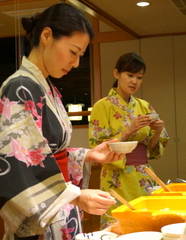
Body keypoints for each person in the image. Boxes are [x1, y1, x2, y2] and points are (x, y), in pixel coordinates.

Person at [0, 3, 124, 240]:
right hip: (46, 212)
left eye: (80, 55)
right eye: (73, 52)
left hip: (60, 203)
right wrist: (76, 197)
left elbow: (45, 152)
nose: (76, 63)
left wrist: (87, 155)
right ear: (47, 36)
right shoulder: (20, 87)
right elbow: (17, 163)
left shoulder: (47, 88)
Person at [88, 52, 169, 228]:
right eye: (130, 75)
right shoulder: (102, 106)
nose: (134, 81)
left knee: (147, 225)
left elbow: (152, 150)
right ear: (117, 74)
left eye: (139, 77)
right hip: (116, 176)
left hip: (143, 175)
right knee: (118, 226)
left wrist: (157, 132)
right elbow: (96, 147)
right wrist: (129, 130)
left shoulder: (144, 106)